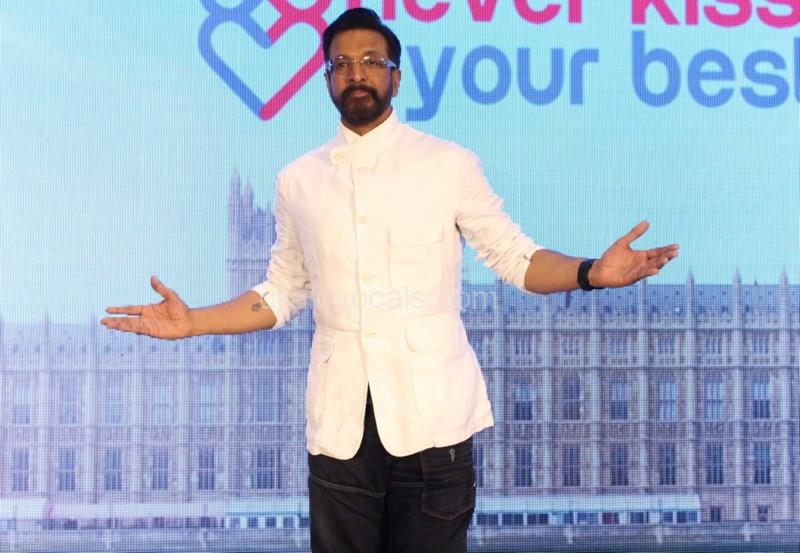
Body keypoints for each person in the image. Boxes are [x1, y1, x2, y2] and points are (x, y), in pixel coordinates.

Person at [102, 8, 678, 553]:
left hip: (434, 423)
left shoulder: (447, 163)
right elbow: (281, 292)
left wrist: (590, 273)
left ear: (396, 78)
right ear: (327, 80)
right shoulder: (298, 180)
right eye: (342, 64)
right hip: (341, 429)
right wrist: (194, 321)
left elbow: (515, 258)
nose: (357, 73)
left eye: (371, 61)